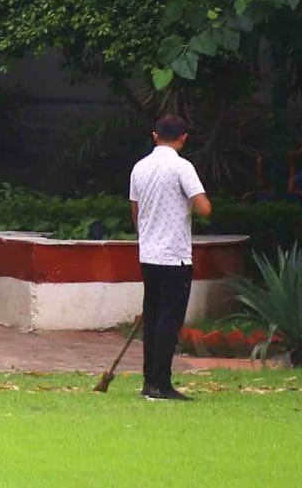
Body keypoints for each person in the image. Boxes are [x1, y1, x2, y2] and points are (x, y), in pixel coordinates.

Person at [128, 115, 211, 401]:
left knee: (151, 318)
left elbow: (135, 212)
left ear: (155, 136)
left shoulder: (139, 168)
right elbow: (204, 208)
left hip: (148, 255)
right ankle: (161, 383)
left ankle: (149, 380)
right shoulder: (181, 167)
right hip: (175, 257)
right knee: (169, 320)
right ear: (183, 138)